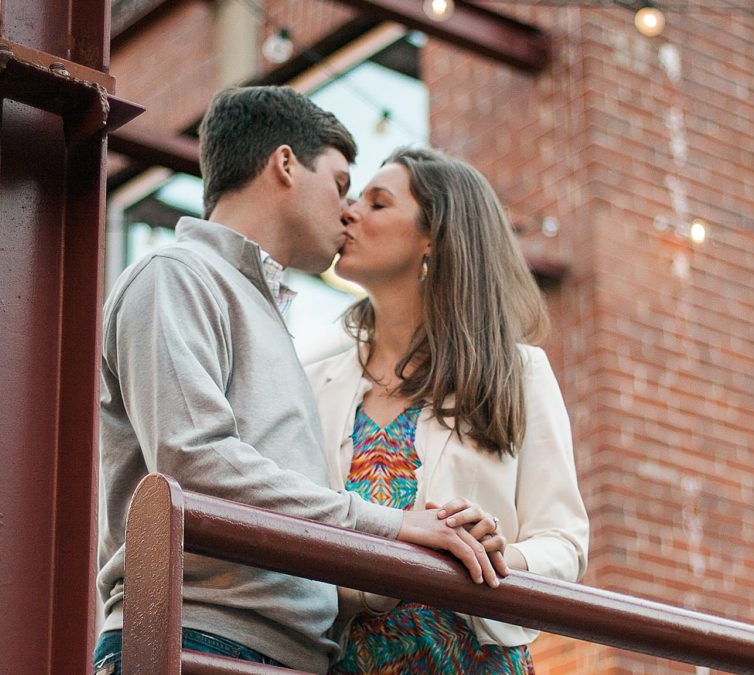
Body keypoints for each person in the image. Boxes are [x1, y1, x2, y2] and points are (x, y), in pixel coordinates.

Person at [93, 88, 506, 675]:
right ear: (286, 164)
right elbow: (193, 460)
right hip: (199, 640)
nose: (347, 212)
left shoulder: (266, 319)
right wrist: (393, 525)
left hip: (284, 653)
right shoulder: (176, 277)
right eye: (340, 185)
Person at [306, 147, 589, 672]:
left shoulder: (519, 373)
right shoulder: (313, 386)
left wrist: (501, 555)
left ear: (434, 235)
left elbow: (564, 544)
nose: (350, 211)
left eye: (378, 202)